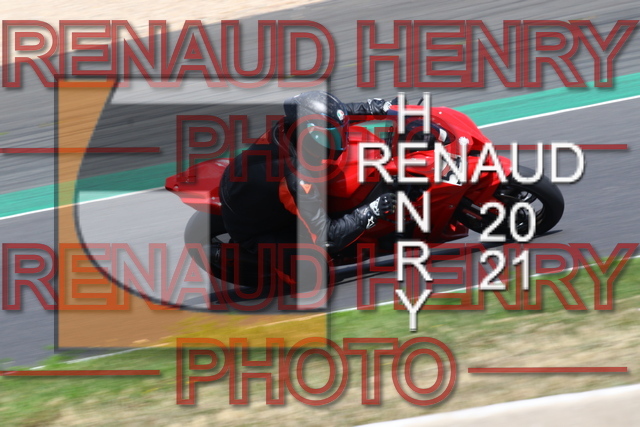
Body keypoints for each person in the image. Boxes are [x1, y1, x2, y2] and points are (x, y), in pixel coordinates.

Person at [218, 91, 397, 288]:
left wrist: (379, 109)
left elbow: (335, 116)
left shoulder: (293, 126)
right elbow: (328, 237)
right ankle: (241, 255)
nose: (338, 140)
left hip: (255, 187)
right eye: (330, 137)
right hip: (256, 226)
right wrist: (371, 211)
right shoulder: (296, 177)